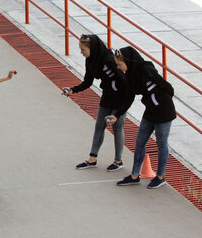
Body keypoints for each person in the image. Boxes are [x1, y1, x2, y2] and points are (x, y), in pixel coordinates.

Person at [108, 46, 176, 189]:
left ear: (127, 61)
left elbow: (167, 87)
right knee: (140, 141)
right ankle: (134, 175)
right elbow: (129, 98)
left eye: (120, 64)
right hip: (150, 111)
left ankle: (160, 177)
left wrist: (160, 101)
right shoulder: (130, 76)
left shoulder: (146, 70)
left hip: (164, 111)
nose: (119, 68)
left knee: (161, 143)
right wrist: (116, 114)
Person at [62, 34, 132, 171]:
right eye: (80, 49)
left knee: (117, 128)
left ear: (92, 48)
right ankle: (92, 158)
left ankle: (118, 161)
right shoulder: (90, 60)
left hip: (120, 98)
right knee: (99, 125)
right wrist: (72, 90)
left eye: (83, 50)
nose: (81, 53)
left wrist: (120, 110)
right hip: (107, 96)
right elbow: (88, 82)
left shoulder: (109, 60)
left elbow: (125, 82)